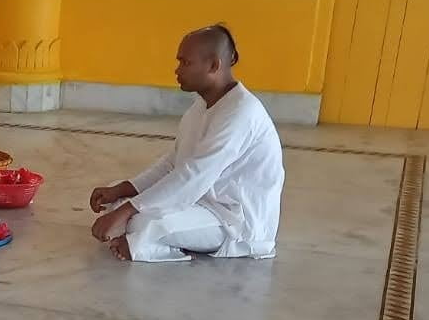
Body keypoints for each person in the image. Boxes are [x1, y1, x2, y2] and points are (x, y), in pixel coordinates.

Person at [88, 25, 285, 262]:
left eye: (185, 63)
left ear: (213, 65)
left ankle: (148, 247)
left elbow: (194, 175)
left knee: (143, 220)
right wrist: (121, 190)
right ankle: (158, 234)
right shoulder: (202, 106)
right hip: (199, 201)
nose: (177, 70)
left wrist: (126, 211)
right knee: (121, 201)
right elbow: (174, 163)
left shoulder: (241, 112)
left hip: (233, 221)